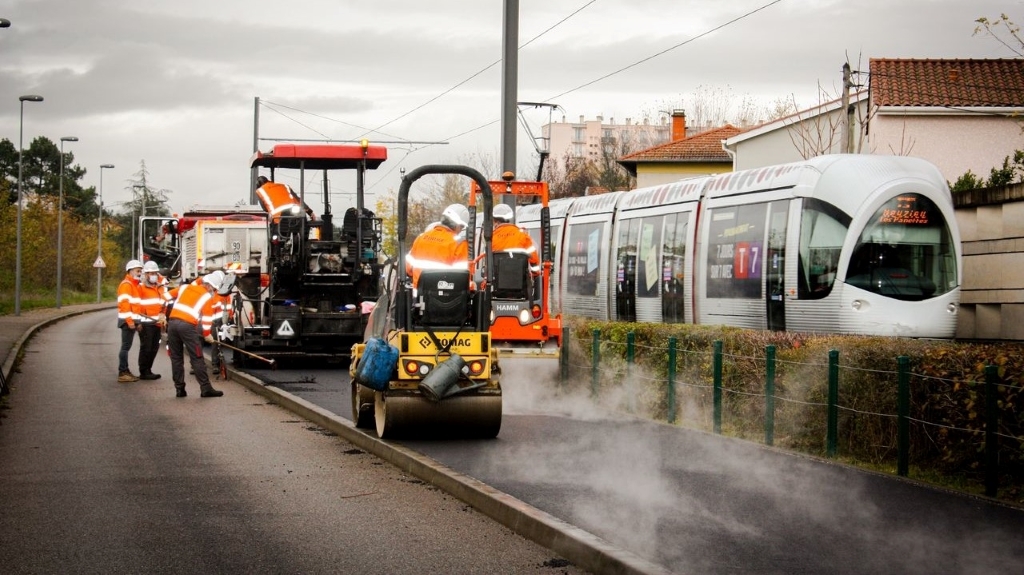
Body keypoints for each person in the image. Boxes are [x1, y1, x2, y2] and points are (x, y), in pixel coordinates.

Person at [166, 270, 225, 398]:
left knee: (176, 358)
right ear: (210, 286)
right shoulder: (206, 296)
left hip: (172, 324)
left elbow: (165, 297)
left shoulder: (185, 287)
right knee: (197, 357)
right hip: (187, 327)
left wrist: (161, 313)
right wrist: (207, 334)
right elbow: (207, 319)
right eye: (214, 289)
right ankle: (206, 389)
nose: (214, 292)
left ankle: (179, 389)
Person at [405, 203, 470, 288]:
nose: (460, 230)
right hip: (447, 298)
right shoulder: (459, 243)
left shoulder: (421, 238)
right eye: (462, 227)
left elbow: (408, 269)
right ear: (458, 225)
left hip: (419, 296)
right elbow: (462, 279)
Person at [135, 261, 168, 380]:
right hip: (145, 323)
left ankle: (148, 369)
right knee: (146, 347)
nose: (153, 275)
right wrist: (137, 322)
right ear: (146, 274)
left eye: (155, 273)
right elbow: (136, 306)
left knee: (154, 347)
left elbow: (164, 303)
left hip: (157, 323)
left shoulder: (160, 287)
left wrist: (163, 315)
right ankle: (144, 371)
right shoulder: (140, 287)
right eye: (150, 273)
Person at [491, 203, 541, 277]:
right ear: (508, 219)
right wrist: (535, 273)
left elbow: (487, 260)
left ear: (494, 220)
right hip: (521, 282)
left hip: (496, 282)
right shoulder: (523, 235)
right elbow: (533, 258)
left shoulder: (491, 237)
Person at [116, 260, 144, 383]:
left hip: (131, 320)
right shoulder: (127, 284)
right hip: (127, 321)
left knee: (126, 347)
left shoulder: (133, 284)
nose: (140, 273)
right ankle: (123, 372)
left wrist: (137, 322)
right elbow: (125, 305)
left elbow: (135, 307)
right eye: (138, 271)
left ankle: (125, 371)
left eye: (140, 271)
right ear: (130, 271)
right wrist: (130, 321)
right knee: (125, 347)